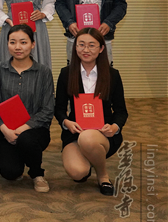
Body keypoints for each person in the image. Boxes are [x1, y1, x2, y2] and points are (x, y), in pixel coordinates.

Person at [55, 28, 128, 196]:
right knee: (78, 173)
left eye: (91, 45)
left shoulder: (112, 75)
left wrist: (114, 127)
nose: (85, 50)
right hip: (75, 132)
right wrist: (66, 122)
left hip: (103, 133)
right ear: (75, 47)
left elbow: (121, 111)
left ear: (101, 48)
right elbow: (59, 108)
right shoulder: (66, 73)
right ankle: (89, 157)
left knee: (87, 138)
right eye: (81, 45)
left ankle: (103, 175)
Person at [0, 24, 55, 193]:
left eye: (23, 42)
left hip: (35, 130)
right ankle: (20, 159)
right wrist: (4, 129)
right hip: (6, 130)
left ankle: (37, 173)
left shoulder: (43, 72)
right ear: (7, 44)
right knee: (10, 173)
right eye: (12, 42)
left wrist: (23, 128)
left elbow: (48, 109)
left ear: (33, 44)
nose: (17, 47)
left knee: (26, 140)